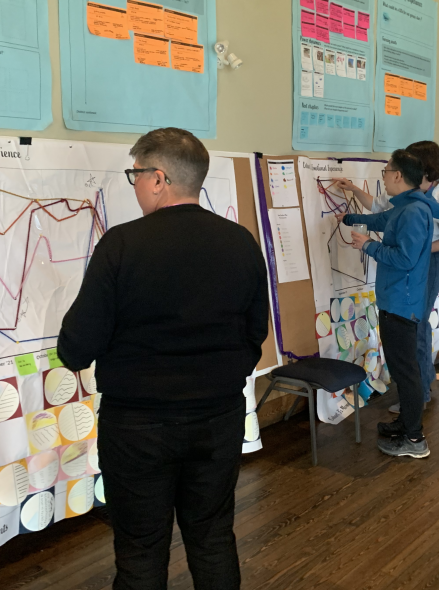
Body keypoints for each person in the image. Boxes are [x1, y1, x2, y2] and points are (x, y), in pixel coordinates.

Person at [57, 128, 269, 590]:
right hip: (219, 418)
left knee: (140, 550)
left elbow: (76, 347)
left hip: (137, 427)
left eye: (135, 174)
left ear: (158, 178)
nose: (133, 185)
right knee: (213, 537)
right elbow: (257, 334)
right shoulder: (240, 242)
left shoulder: (122, 245)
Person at [335, 141, 439, 412]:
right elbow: (382, 213)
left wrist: (386, 246)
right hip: (410, 262)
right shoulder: (407, 198)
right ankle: (415, 394)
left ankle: (417, 397)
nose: (389, 173)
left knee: (413, 328)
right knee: (407, 331)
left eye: (391, 169)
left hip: (425, 263)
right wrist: (354, 195)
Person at [338, 149, 439, 458]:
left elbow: (405, 259)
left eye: (385, 171)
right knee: (400, 367)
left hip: (401, 302)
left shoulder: (412, 212)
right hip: (395, 299)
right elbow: (380, 219)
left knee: (406, 371)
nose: (383, 176)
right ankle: (406, 425)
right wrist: (349, 218)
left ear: (398, 176)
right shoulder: (405, 207)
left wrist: (369, 245)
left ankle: (413, 439)